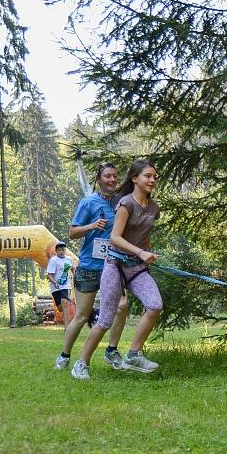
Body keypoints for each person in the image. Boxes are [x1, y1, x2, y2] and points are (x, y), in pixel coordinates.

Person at [71, 159, 163, 380]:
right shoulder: (125, 204)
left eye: (154, 177)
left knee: (154, 304)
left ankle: (133, 354)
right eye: (147, 176)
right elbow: (114, 239)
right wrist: (140, 252)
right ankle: (81, 363)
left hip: (137, 268)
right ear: (134, 179)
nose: (152, 180)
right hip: (115, 266)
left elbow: (144, 234)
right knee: (105, 320)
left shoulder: (153, 208)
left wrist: (146, 253)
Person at [54, 162, 129, 371]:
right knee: (82, 316)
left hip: (112, 265)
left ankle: (111, 351)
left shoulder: (120, 203)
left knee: (122, 306)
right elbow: (72, 233)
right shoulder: (88, 203)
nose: (112, 180)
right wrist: (92, 226)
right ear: (99, 179)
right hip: (88, 267)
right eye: (107, 176)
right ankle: (64, 355)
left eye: (115, 176)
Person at [46, 242, 74, 342]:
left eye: (63, 250)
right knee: (60, 308)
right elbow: (49, 275)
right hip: (56, 287)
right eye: (59, 250)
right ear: (56, 251)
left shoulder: (69, 259)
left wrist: (76, 277)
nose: (61, 252)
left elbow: (73, 269)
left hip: (66, 286)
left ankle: (67, 328)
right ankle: (66, 323)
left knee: (65, 303)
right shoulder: (53, 260)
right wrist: (55, 282)